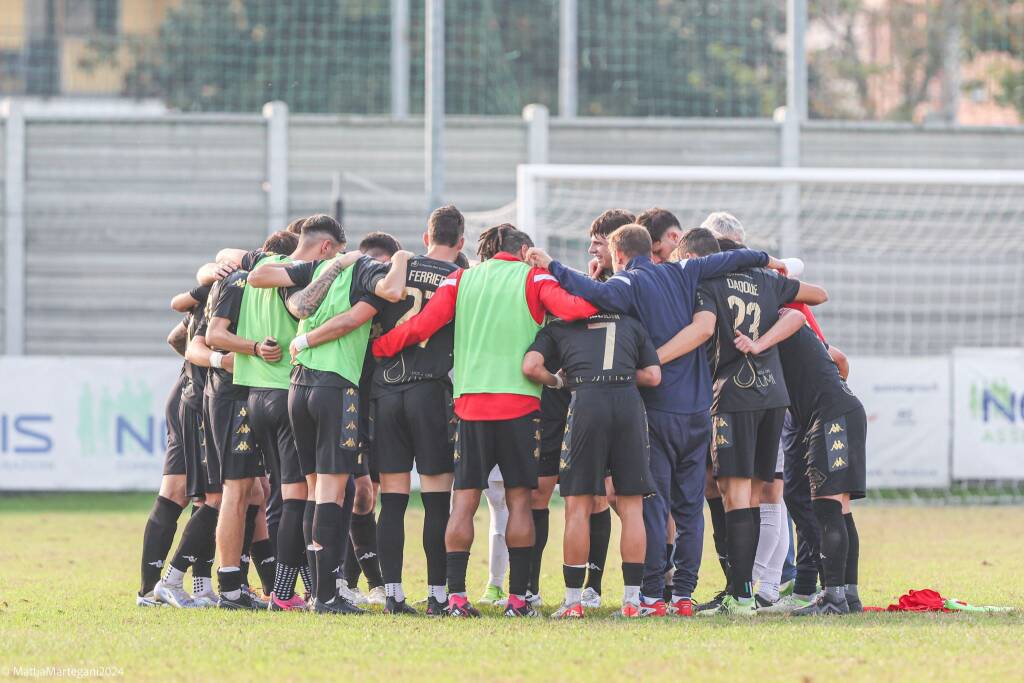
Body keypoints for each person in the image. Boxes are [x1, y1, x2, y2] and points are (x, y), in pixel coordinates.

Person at [527, 224, 785, 617]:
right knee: (690, 508)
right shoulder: (683, 270)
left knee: (651, 504)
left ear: (618, 256)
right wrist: (767, 259)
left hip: (657, 406)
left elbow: (591, 293)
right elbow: (731, 258)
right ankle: (683, 595)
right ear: (651, 249)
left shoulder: (627, 283)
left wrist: (552, 265)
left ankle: (650, 595)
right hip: (698, 408)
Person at [372, 224, 597, 618]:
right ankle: (518, 600)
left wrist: (380, 347)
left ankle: (457, 597)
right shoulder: (534, 277)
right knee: (519, 501)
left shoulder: (462, 278)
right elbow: (578, 308)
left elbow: (423, 326)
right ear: (524, 250)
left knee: (463, 502)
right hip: (520, 405)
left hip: (470, 405)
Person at [248, 217, 410, 614]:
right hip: (335, 387)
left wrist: (334, 265)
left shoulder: (318, 268)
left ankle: (317, 592)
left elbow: (258, 276)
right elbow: (388, 292)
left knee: (312, 490)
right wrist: (403, 258)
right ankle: (327, 594)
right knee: (333, 494)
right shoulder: (366, 269)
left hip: (297, 386)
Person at [669, 228, 827, 615]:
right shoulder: (766, 281)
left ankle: (740, 596)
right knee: (755, 495)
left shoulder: (706, 284)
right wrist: (778, 278)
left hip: (734, 396)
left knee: (735, 495)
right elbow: (818, 295)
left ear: (693, 257)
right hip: (773, 397)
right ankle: (747, 591)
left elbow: (704, 329)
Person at [522, 309, 661, 618]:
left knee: (578, 507)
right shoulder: (631, 322)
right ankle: (632, 602)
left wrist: (558, 380)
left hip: (586, 401)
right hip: (628, 402)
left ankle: (573, 603)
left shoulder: (562, 326)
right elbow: (653, 376)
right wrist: (623, 374)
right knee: (632, 506)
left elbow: (530, 366)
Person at [364, 207, 465, 616]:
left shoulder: (395, 269)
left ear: (426, 238)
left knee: (392, 500)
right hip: (429, 392)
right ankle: (438, 595)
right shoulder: (461, 278)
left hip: (386, 392)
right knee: (438, 500)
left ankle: (393, 593)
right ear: (460, 242)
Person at [735, 304, 866, 615]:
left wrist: (758, 345)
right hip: (841, 411)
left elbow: (796, 316)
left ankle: (833, 598)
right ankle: (848, 596)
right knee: (840, 510)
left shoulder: (779, 320)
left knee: (827, 508)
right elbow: (837, 357)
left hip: (832, 416)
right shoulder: (789, 336)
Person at [199, 233, 301, 609]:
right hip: (231, 394)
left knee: (257, 492)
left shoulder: (254, 279)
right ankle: (227, 587)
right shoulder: (240, 280)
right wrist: (255, 348)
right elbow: (212, 335)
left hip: (253, 391)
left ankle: (263, 584)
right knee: (236, 490)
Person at [138, 284, 210, 607]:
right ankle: (155, 588)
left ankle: (189, 587)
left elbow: (175, 337)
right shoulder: (230, 291)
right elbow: (183, 339)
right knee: (189, 494)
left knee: (194, 494)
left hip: (189, 392)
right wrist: (202, 369)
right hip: (196, 398)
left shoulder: (212, 292)